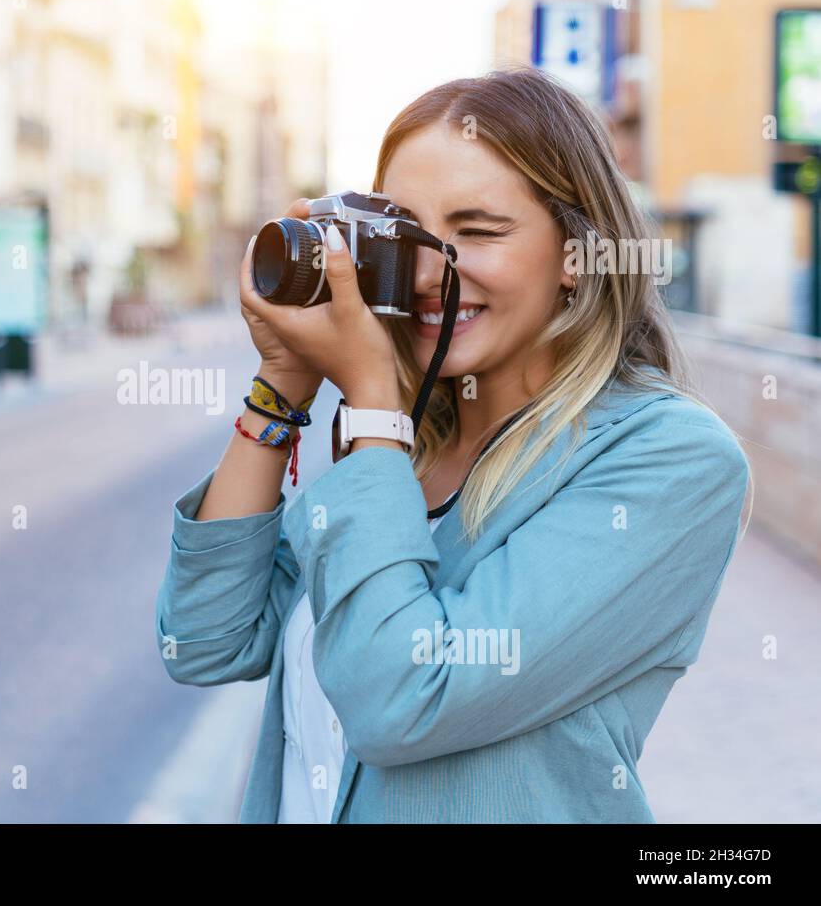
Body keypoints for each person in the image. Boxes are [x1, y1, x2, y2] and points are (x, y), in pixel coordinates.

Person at [153, 67, 751, 823]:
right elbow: (207, 639)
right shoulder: (400, 444)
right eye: (406, 235)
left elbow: (403, 696)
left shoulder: (668, 459)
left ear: (577, 254)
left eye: (477, 231)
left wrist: (372, 405)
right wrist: (282, 386)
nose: (433, 272)